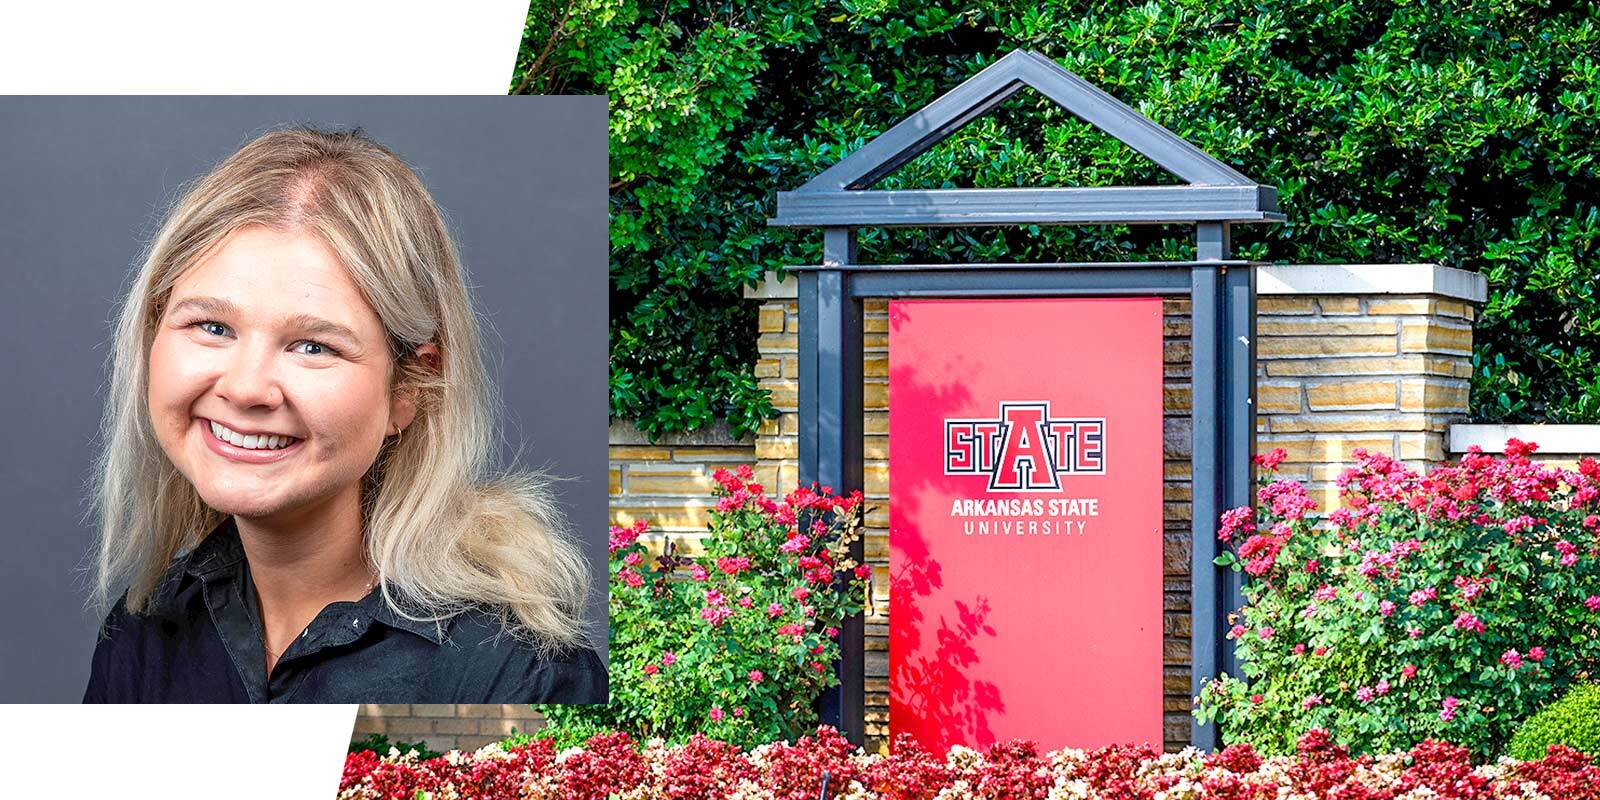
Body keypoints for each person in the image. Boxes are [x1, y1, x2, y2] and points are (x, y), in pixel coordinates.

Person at [83, 127, 606, 703]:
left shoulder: (516, 677)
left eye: (314, 346)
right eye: (212, 327)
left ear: (409, 387)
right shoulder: (142, 635)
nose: (247, 387)